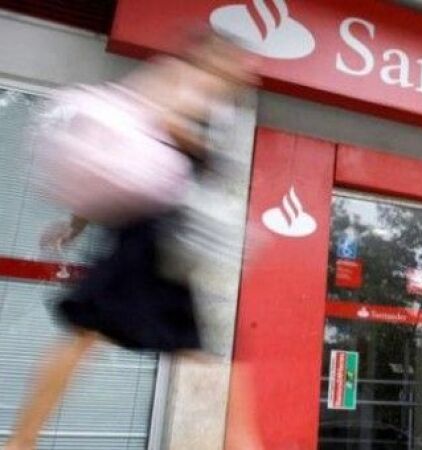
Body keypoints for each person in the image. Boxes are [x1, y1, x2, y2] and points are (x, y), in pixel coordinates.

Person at [5, 29, 258, 450]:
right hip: (149, 234)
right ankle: (20, 442)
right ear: (213, 56)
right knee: (96, 335)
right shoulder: (187, 80)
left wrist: (76, 224)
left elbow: (115, 153)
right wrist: (201, 147)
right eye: (236, 63)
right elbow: (130, 139)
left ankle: (21, 441)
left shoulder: (204, 94)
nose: (244, 73)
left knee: (174, 346)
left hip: (157, 235)